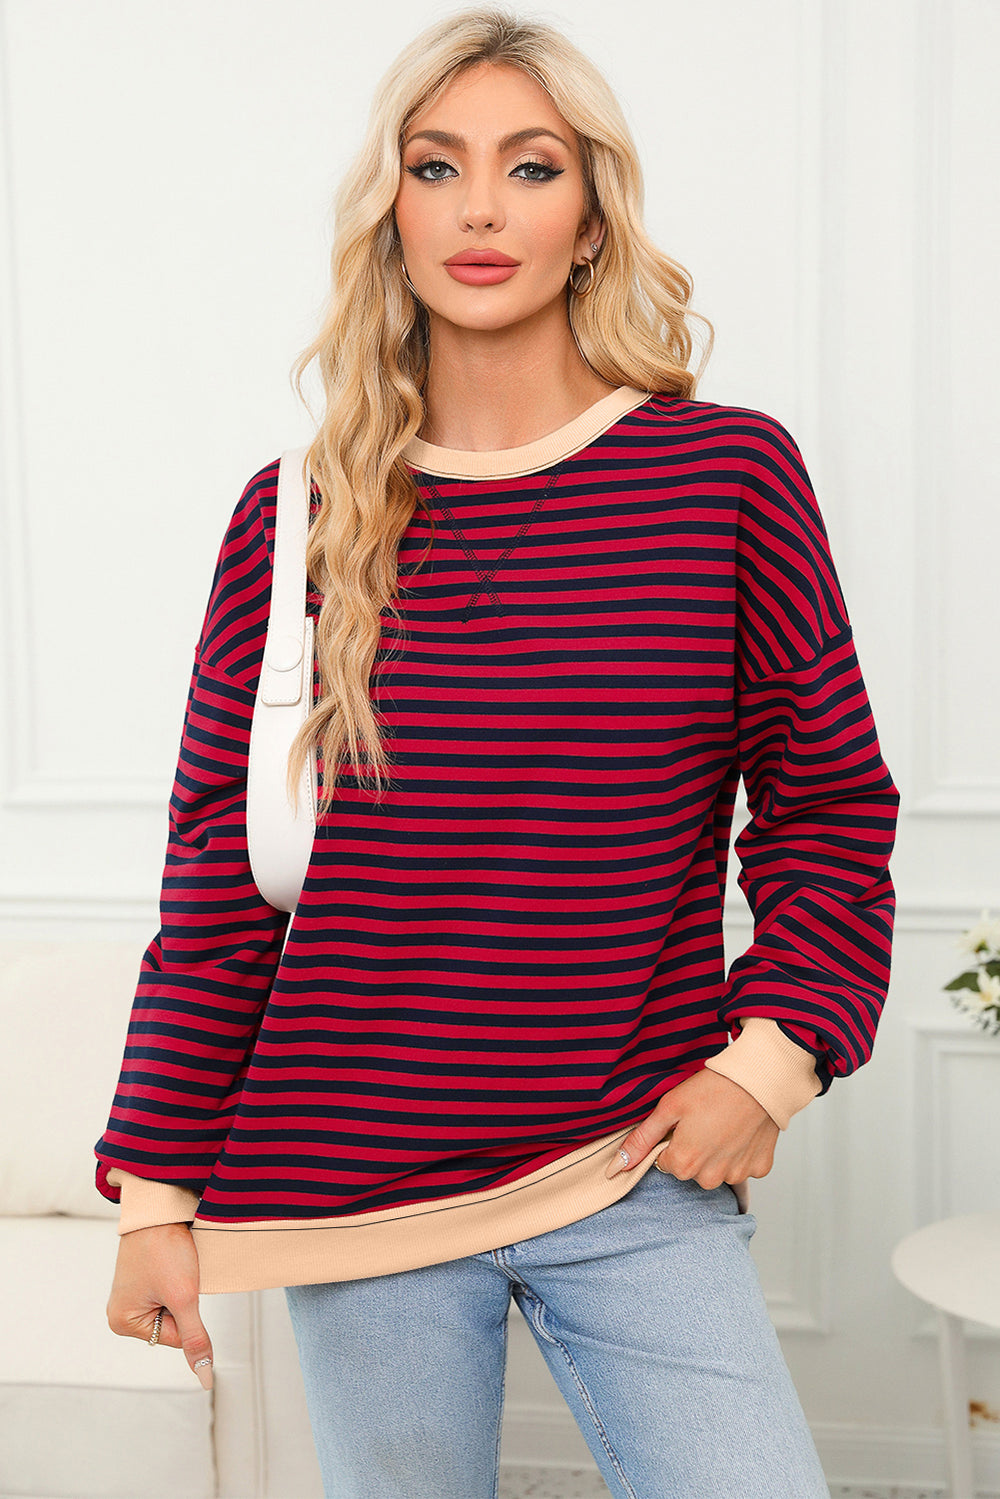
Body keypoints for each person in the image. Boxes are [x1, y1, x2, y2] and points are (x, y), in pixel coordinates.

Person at [96, 8, 899, 1496]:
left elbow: (827, 807)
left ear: (591, 218)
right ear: (390, 213)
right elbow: (218, 881)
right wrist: (154, 1198)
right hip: (359, 1192)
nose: (480, 208)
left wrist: (774, 1057)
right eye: (436, 166)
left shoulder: (726, 475)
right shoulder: (298, 517)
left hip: (635, 1167)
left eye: (530, 168)